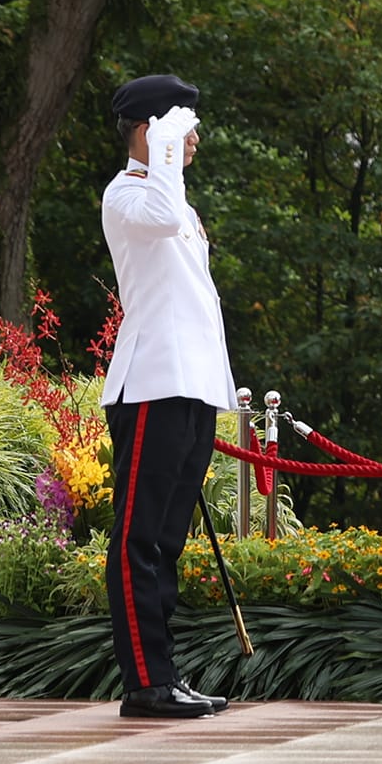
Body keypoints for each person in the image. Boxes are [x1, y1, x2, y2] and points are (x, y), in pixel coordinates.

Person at [97, 75, 236, 721]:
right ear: (152, 133)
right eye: (185, 129)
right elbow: (161, 213)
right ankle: (145, 682)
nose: (195, 140)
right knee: (138, 538)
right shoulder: (127, 196)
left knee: (166, 541)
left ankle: (165, 676)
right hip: (151, 381)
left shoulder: (170, 200)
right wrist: (167, 142)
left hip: (188, 383)